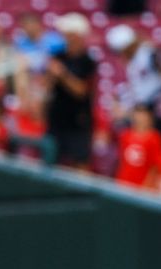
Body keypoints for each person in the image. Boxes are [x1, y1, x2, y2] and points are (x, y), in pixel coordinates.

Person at [44, 12, 95, 170]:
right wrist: (51, 75)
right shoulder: (58, 56)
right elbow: (46, 87)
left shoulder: (87, 61)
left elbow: (81, 90)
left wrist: (62, 74)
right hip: (57, 118)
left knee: (80, 162)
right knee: (52, 160)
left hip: (78, 120)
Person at [116, 105, 161, 191]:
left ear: (149, 118)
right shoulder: (125, 136)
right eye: (137, 115)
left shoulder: (154, 138)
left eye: (143, 116)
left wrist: (148, 186)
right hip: (123, 184)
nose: (139, 119)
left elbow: (159, 163)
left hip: (142, 188)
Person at [105, 24, 161, 112]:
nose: (121, 55)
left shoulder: (149, 53)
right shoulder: (132, 60)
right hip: (143, 105)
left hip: (157, 101)